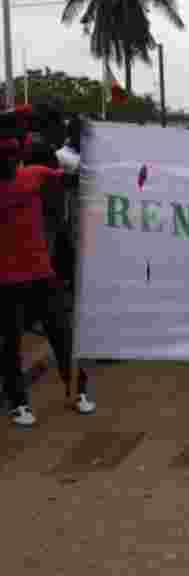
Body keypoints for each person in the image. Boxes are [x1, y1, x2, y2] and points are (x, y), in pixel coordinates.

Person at [0, 130, 95, 426]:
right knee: (9, 345)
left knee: (63, 336)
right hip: (5, 281)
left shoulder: (34, 174)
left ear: (17, 158)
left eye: (10, 157)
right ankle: (18, 403)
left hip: (42, 274)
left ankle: (76, 391)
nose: (6, 162)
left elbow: (72, 179)